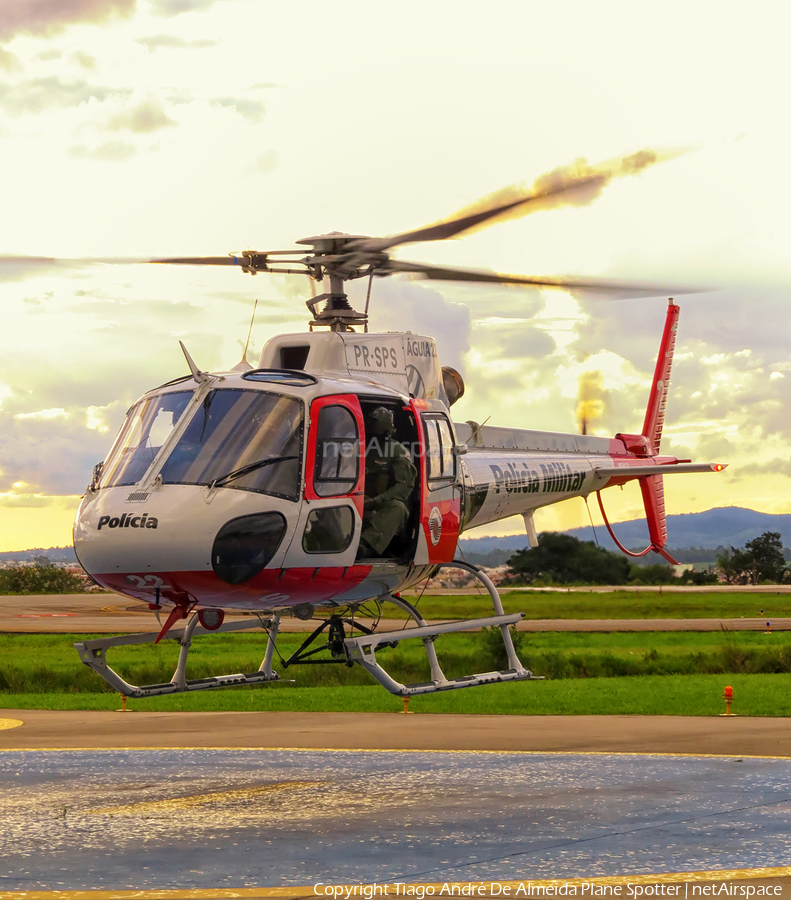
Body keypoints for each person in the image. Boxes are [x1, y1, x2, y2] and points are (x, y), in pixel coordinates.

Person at [358, 407, 416, 558]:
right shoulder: (354, 447)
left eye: (379, 433)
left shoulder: (397, 451)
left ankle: (365, 546)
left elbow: (404, 486)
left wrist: (375, 501)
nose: (375, 437)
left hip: (378, 503)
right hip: (354, 499)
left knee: (398, 508)